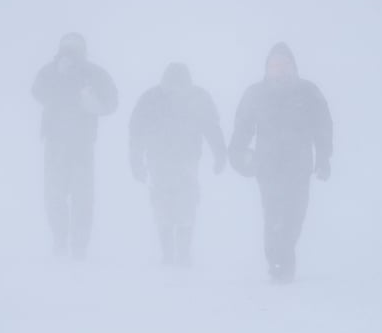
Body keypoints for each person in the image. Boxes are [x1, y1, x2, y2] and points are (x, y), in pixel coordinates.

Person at [228, 43, 333, 283]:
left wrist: (324, 156)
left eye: (284, 64)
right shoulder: (255, 93)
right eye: (274, 65)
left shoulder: (308, 92)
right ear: (267, 68)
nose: (279, 69)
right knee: (274, 214)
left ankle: (284, 253)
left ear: (293, 66)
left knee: (295, 214)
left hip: (300, 164)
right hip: (267, 164)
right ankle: (278, 261)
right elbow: (242, 127)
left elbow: (323, 125)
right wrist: (237, 153)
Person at [129, 63, 227, 266]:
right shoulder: (151, 99)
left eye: (178, 85)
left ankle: (182, 253)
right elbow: (136, 132)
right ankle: (168, 253)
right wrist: (136, 161)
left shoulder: (198, 98)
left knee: (186, 203)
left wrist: (220, 154)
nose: (174, 90)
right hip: (159, 159)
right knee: (164, 204)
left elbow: (211, 128)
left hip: (187, 159)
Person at [31, 33, 118, 260]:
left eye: (74, 49)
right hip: (55, 143)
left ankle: (79, 245)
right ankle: (60, 240)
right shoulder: (50, 71)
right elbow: (37, 92)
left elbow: (112, 102)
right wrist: (58, 75)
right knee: (55, 195)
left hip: (81, 145)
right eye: (66, 49)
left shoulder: (93, 73)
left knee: (82, 196)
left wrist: (94, 103)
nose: (70, 54)